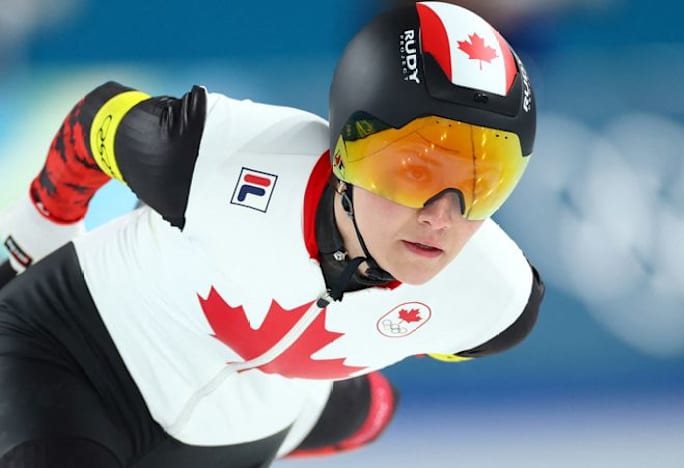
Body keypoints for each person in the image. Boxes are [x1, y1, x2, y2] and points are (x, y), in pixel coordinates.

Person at [0, 1, 543, 467]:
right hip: (72, 352)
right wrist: (34, 237)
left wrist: (360, 404)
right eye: (415, 172)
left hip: (239, 432)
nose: (441, 217)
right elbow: (96, 118)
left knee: (370, 412)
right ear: (345, 153)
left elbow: (396, 330)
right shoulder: (215, 154)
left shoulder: (497, 301)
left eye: (480, 185)